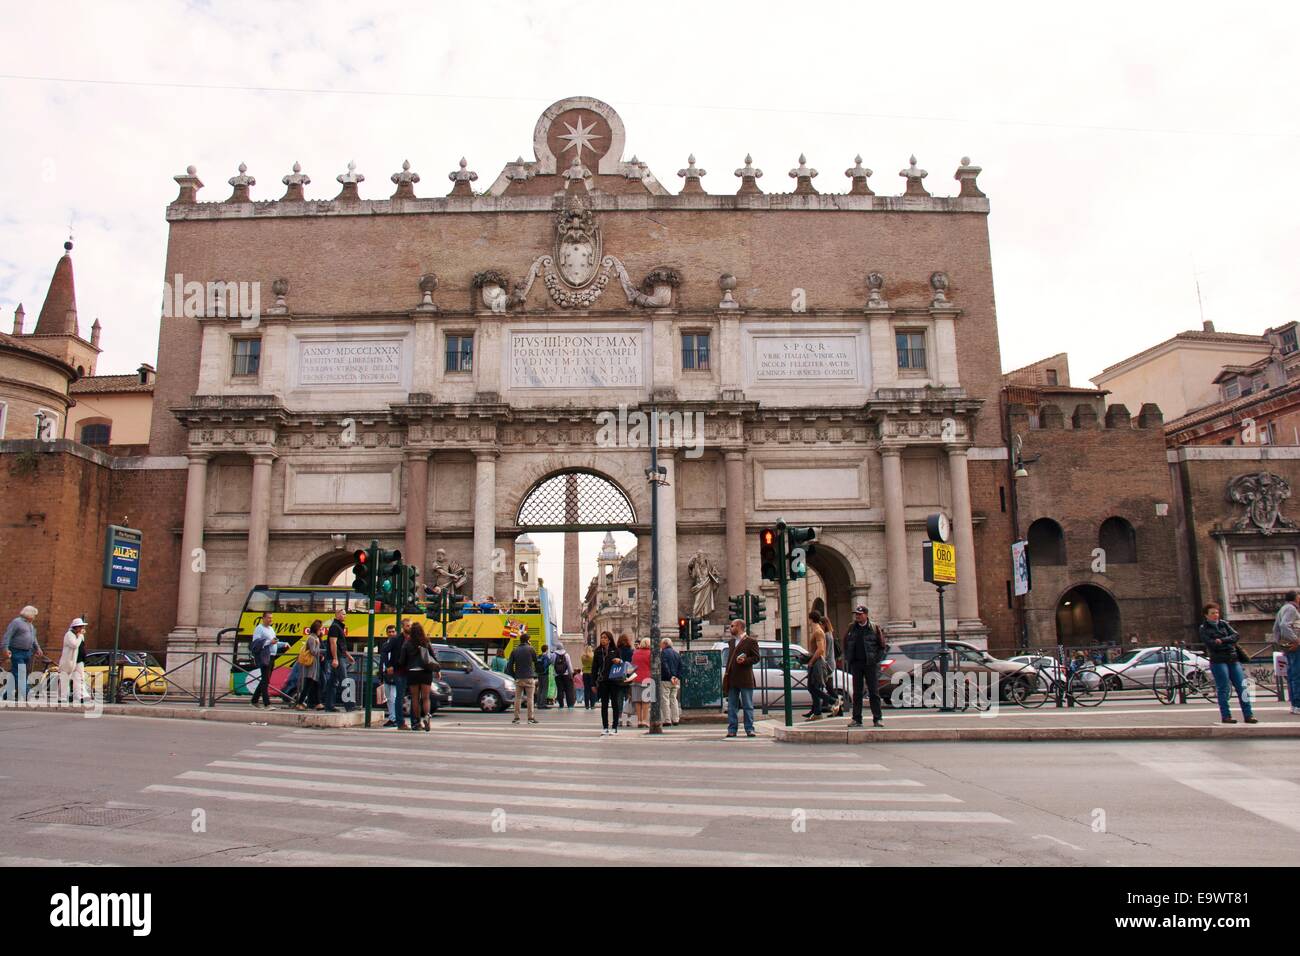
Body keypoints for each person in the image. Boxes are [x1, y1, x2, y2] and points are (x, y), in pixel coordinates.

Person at [1199, 602, 1257, 725]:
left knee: (1242, 687)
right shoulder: (1204, 628)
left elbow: (1236, 635)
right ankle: (1226, 716)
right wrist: (1224, 642)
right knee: (1223, 688)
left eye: (1217, 612)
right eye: (1212, 613)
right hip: (1218, 660)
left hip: (1233, 658)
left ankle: (1248, 715)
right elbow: (1211, 643)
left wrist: (1222, 640)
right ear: (1206, 615)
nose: (1216, 615)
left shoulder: (1224, 624)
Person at [842, 604, 886, 728]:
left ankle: (877, 718)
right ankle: (856, 719)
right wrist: (849, 658)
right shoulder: (851, 628)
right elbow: (846, 643)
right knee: (857, 692)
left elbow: (882, 646)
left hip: (870, 664)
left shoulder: (874, 628)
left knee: (874, 692)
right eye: (856, 614)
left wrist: (876, 660)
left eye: (860, 614)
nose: (857, 616)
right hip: (856, 664)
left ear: (866, 615)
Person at [723, 619, 760, 738]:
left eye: (732, 626)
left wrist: (745, 660)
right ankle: (732, 729)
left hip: (745, 678)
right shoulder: (731, 643)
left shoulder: (750, 642)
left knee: (747, 705)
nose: (730, 628)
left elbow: (756, 658)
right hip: (733, 678)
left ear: (739, 627)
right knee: (732, 705)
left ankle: (749, 728)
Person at [2, 606, 43, 702]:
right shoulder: (16, 622)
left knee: (16, 674)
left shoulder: (31, 625)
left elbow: (33, 638)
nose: (34, 617)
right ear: (29, 614)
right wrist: (5, 648)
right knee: (21, 674)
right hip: (17, 652)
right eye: (34, 615)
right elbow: (7, 635)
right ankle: (27, 693)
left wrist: (38, 648)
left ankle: (7, 695)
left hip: (27, 653)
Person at [401, 622, 436, 731]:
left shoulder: (407, 643)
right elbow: (432, 656)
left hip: (413, 673)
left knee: (415, 698)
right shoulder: (426, 642)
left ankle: (417, 722)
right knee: (426, 698)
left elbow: (402, 660)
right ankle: (427, 716)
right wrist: (437, 670)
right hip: (425, 672)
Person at [1271, 590, 1300, 715]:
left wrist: (1280, 644)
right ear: (1295, 598)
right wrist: (1296, 640)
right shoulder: (1291, 609)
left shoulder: (1283, 609)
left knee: (1292, 675)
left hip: (1288, 646)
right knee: (1297, 675)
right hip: (1295, 646)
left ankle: (1294, 704)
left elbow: (1276, 628)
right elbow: (1284, 626)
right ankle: (1298, 704)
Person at [322, 609, 355, 712]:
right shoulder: (335, 627)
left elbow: (340, 645)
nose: (345, 616)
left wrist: (348, 655)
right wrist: (335, 658)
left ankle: (329, 706)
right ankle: (349, 706)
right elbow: (333, 643)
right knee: (344, 680)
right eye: (343, 614)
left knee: (333, 682)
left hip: (339, 656)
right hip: (337, 658)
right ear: (337, 615)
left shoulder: (338, 627)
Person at [249, 611, 282, 708]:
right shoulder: (259, 628)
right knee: (265, 680)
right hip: (265, 656)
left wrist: (283, 644)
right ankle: (267, 703)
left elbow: (273, 641)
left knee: (265, 679)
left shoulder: (271, 629)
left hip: (272, 656)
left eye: (271, 618)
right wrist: (269, 642)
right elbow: (256, 643)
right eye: (268, 618)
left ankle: (254, 700)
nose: (270, 620)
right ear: (263, 618)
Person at [593, 632, 624, 736]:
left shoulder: (615, 650)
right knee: (604, 705)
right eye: (601, 637)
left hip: (614, 680)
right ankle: (605, 727)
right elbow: (594, 668)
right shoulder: (598, 651)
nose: (603, 639)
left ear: (609, 640)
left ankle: (614, 727)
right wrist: (593, 684)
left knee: (615, 704)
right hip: (603, 681)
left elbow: (622, 663)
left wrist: (619, 661)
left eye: (605, 638)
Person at [506, 635, 539, 725]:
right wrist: (535, 674)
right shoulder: (531, 649)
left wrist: (514, 675)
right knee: (530, 698)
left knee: (517, 698)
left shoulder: (515, 650)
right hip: (529, 677)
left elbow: (509, 666)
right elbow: (536, 662)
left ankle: (516, 718)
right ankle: (530, 718)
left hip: (519, 678)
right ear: (528, 640)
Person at [805, 610, 830, 721]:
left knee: (812, 687)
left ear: (810, 619)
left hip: (817, 662)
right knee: (813, 687)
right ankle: (817, 712)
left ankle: (833, 701)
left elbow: (821, 649)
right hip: (815, 661)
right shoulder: (816, 631)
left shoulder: (818, 631)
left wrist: (811, 661)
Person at [58, 617, 90, 704]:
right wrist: (79, 636)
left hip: (78, 660)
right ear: (75, 627)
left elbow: (81, 646)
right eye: (79, 627)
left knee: (79, 678)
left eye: (82, 627)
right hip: (68, 660)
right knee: (65, 678)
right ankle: (62, 697)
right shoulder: (69, 635)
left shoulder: (80, 636)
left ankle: (80, 696)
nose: (81, 629)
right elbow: (74, 645)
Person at [295, 620, 324, 711]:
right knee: (308, 684)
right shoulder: (312, 638)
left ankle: (318, 703)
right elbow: (313, 651)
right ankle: (299, 703)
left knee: (316, 684)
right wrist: (318, 646)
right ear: (317, 628)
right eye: (320, 628)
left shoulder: (315, 637)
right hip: (311, 665)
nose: (321, 630)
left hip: (314, 665)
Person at [379, 624, 403, 727]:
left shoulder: (398, 644)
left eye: (393, 631)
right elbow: (382, 660)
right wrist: (381, 674)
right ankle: (392, 717)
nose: (391, 634)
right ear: (386, 633)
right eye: (389, 632)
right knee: (389, 697)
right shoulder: (385, 645)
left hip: (395, 673)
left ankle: (394, 718)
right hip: (386, 674)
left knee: (393, 696)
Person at [660, 636, 682, 726]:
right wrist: (676, 677)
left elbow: (664, 665)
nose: (661, 646)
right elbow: (681, 666)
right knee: (674, 699)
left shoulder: (663, 653)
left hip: (666, 679)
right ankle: (676, 719)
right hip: (675, 680)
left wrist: (670, 676)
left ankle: (667, 719)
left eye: (661, 644)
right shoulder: (676, 654)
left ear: (665, 644)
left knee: (665, 699)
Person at [632, 637, 653, 728]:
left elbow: (632, 665)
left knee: (637, 700)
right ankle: (644, 720)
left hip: (636, 678)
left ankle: (639, 720)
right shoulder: (650, 653)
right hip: (647, 678)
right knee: (646, 701)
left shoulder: (635, 653)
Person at [616, 634, 636, 727]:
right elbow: (634, 664)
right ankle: (629, 719)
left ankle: (619, 718)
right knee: (629, 698)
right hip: (629, 677)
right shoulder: (632, 652)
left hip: (618, 677)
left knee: (619, 698)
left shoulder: (616, 651)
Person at [553, 645, 576, 710]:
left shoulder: (554, 655)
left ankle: (561, 705)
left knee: (560, 689)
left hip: (557, 675)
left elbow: (552, 663)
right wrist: (571, 673)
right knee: (568, 690)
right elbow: (569, 665)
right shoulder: (566, 654)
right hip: (566, 675)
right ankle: (570, 705)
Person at [535, 644, 553, 710]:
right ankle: (543, 704)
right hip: (544, 674)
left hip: (539, 674)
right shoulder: (545, 657)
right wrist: (550, 662)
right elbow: (546, 665)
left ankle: (538, 703)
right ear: (547, 649)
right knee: (545, 689)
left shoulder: (539, 656)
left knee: (540, 689)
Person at [581, 642, 596, 710]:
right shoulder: (592, 657)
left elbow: (583, 664)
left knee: (586, 689)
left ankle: (586, 705)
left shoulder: (582, 657)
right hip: (592, 674)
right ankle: (592, 705)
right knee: (592, 689)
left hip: (585, 674)